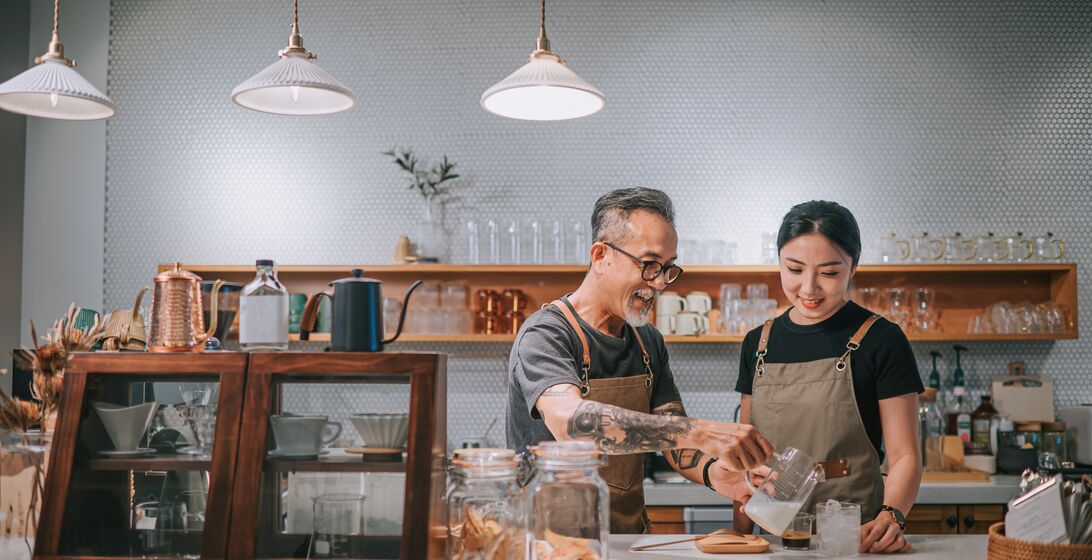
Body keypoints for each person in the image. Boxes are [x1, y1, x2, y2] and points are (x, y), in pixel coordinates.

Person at [507, 187, 773, 534]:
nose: (660, 283)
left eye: (667, 268)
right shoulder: (546, 334)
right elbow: (570, 423)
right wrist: (702, 431)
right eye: (649, 265)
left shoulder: (647, 341)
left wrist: (714, 473)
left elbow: (673, 436)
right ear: (601, 256)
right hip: (548, 543)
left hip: (626, 539)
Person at [735, 200, 923, 553]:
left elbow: (904, 456)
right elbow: (747, 455)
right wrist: (742, 532)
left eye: (829, 273)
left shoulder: (882, 339)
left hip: (854, 536)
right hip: (770, 537)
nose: (809, 288)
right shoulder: (757, 344)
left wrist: (892, 514)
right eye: (794, 269)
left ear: (853, 267)